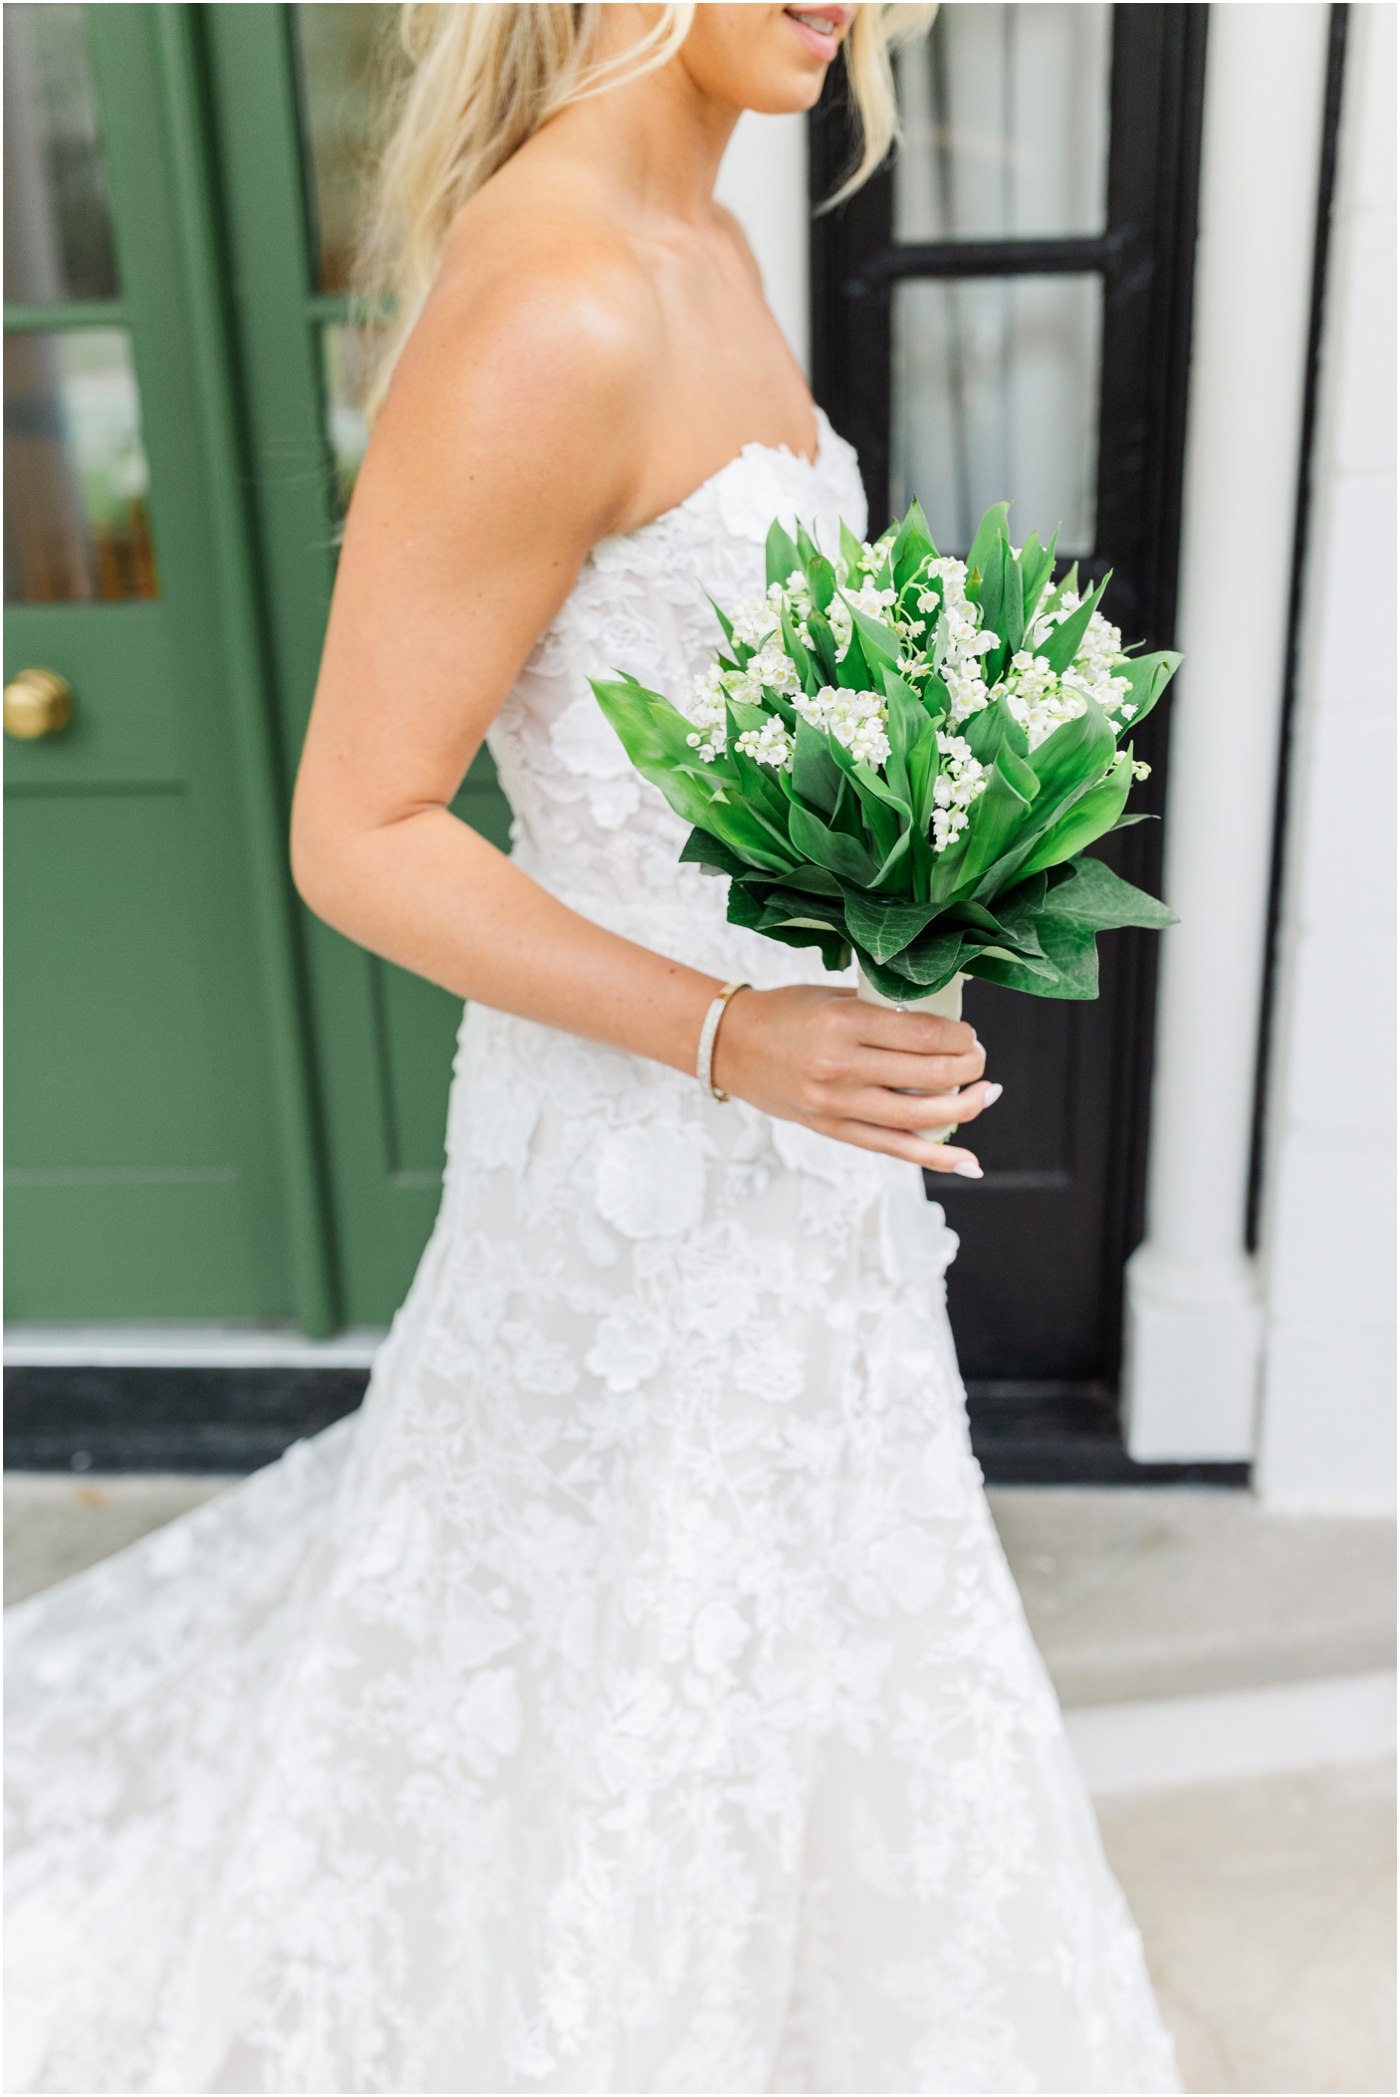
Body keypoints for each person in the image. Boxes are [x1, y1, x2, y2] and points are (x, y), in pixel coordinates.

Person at [4, 7, 1181, 2090]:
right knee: (612, 1650)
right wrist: (735, 1032)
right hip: (642, 1170)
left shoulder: (717, 242)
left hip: (807, 1173)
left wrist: (919, 891)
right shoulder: (555, 295)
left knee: (810, 1612)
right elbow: (354, 830)